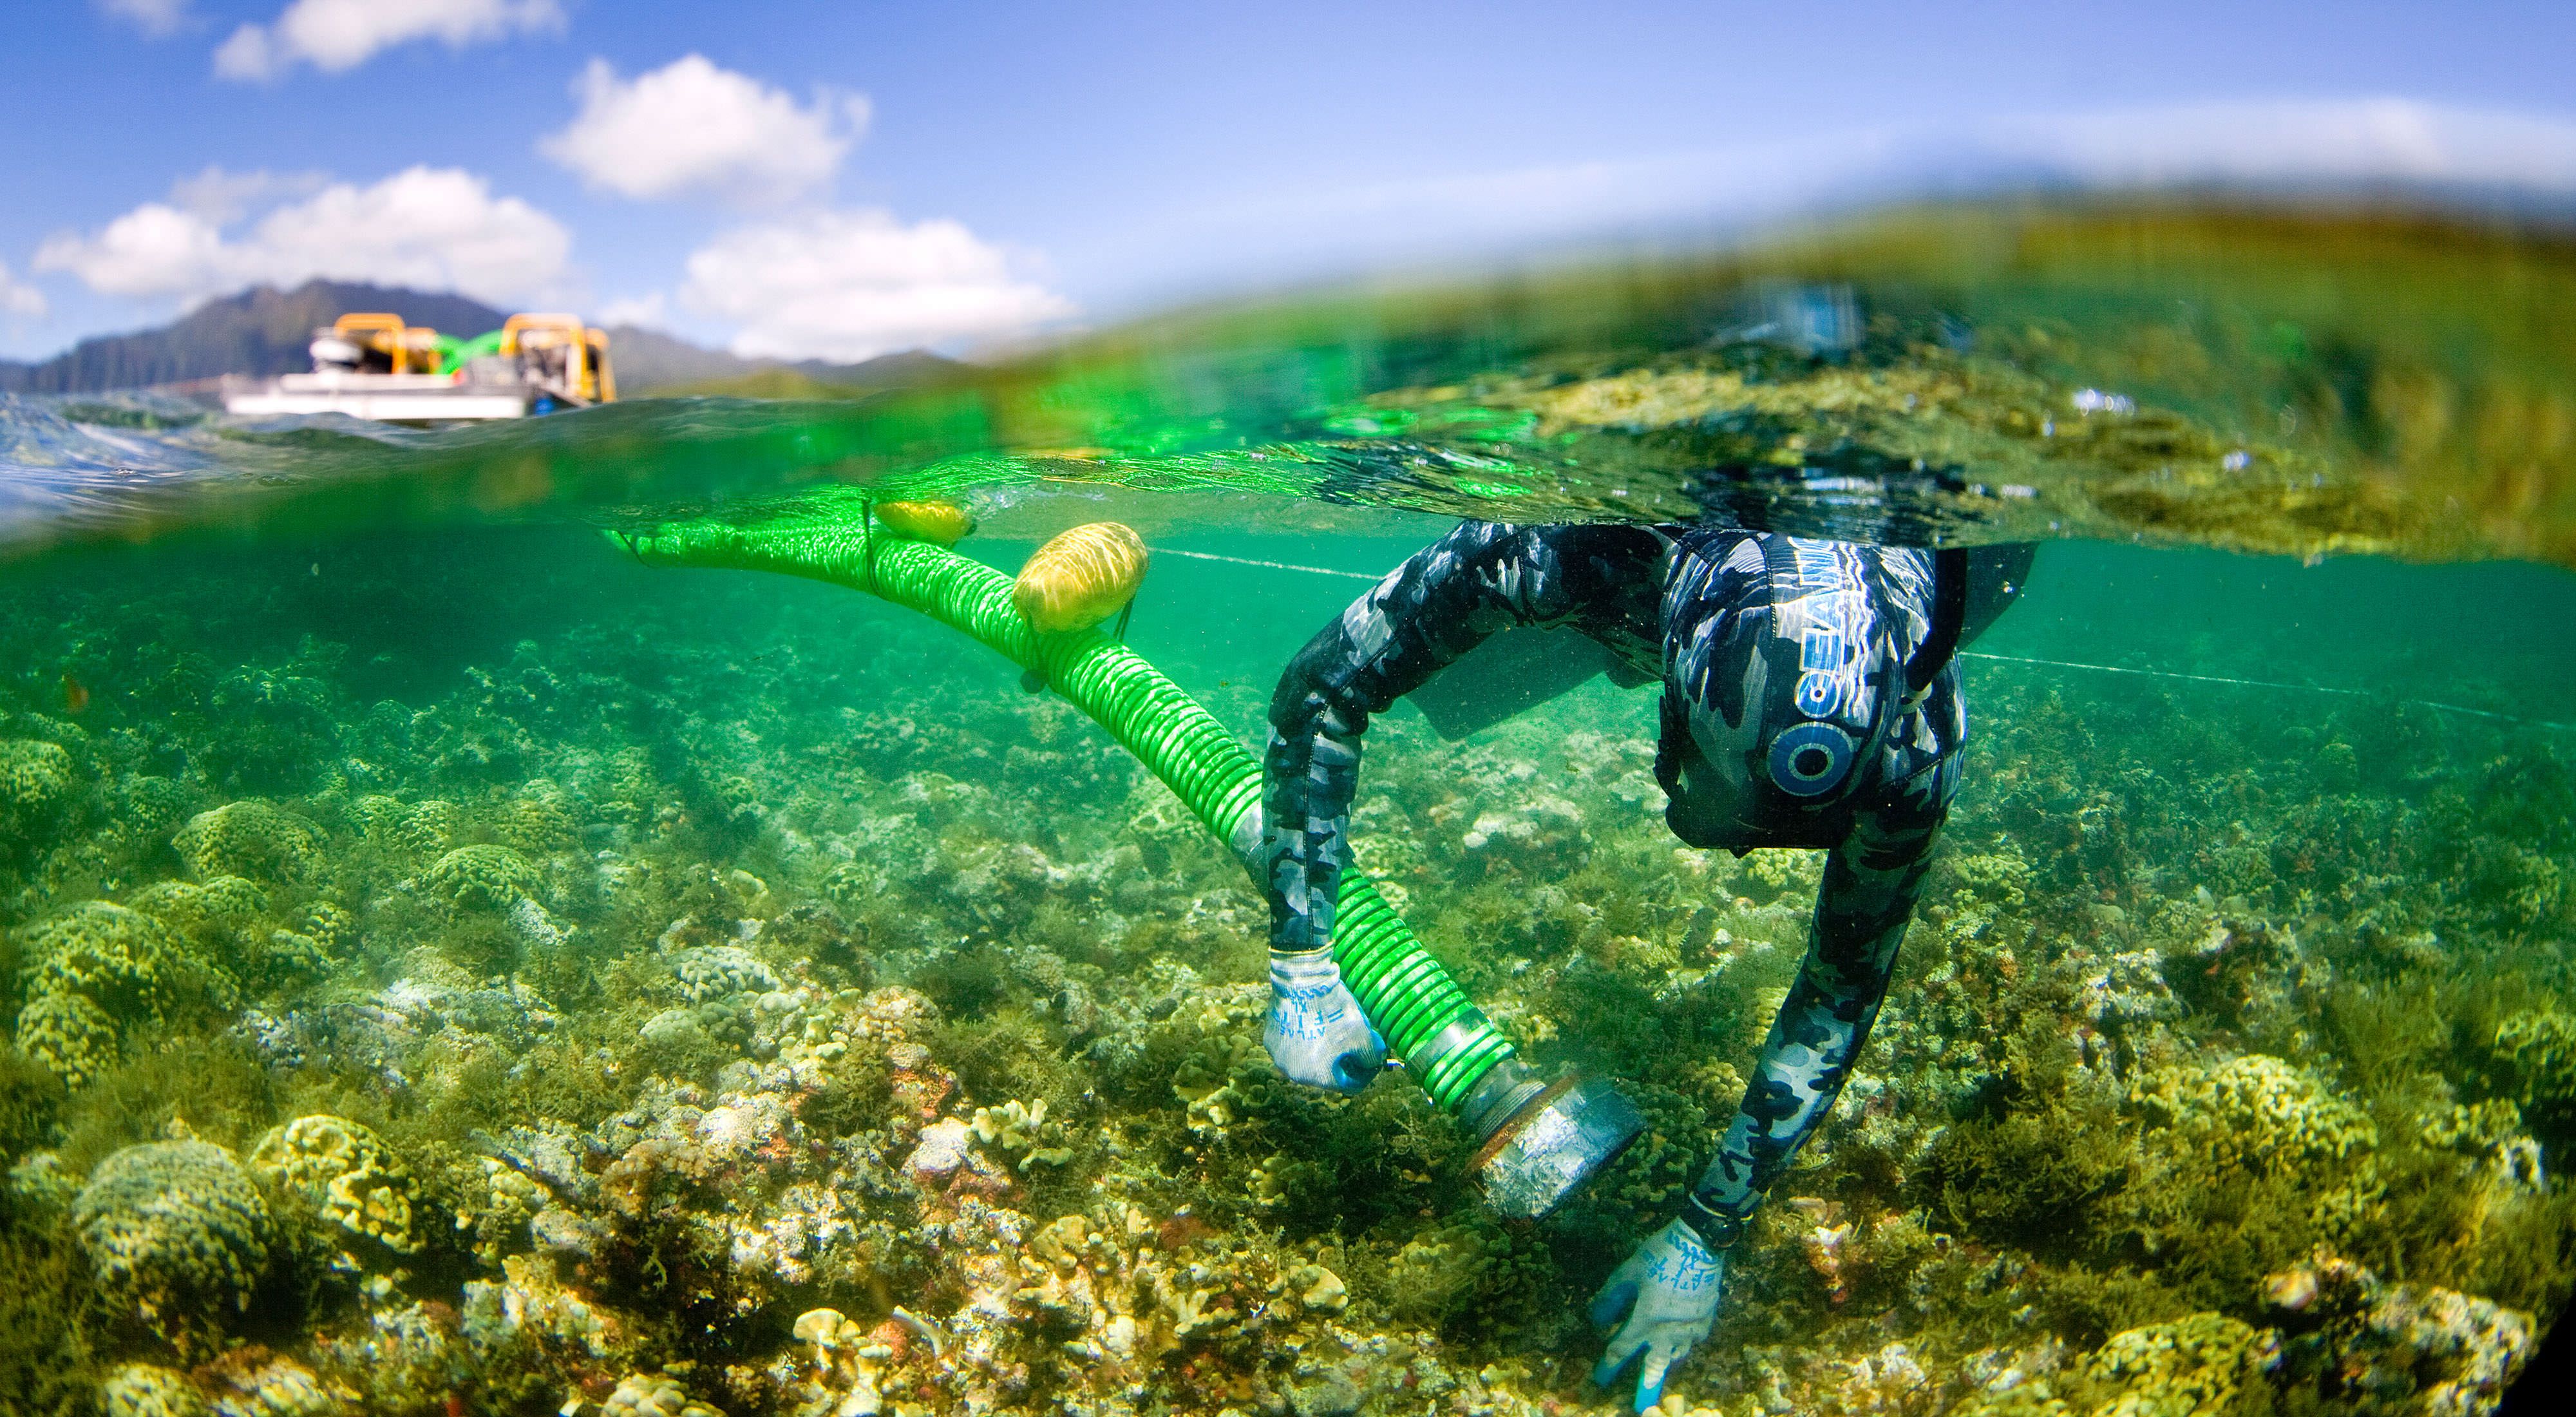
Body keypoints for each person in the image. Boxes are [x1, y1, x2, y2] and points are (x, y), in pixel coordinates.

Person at [1257, 522, 2033, 1411]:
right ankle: (1591, 649)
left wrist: (1708, 1232)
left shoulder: (1914, 736)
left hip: (1668, 617)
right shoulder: (1566, 551)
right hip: (1623, 601)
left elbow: (1843, 985)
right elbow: (1322, 688)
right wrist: (1302, 956)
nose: (1729, 847)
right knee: (1466, 680)